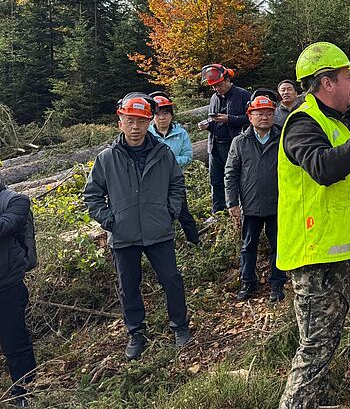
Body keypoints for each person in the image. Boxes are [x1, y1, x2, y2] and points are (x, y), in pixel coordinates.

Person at [277, 42, 350, 408]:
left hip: (336, 250)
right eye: (348, 77)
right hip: (314, 255)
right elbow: (324, 168)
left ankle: (312, 401)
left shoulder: (332, 123)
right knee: (315, 345)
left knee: (326, 340)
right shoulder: (302, 123)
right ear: (327, 82)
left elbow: (348, 168)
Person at [84, 94, 190, 360]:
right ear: (119, 122)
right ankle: (136, 333)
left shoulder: (163, 153)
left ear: (148, 122)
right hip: (124, 235)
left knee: (172, 280)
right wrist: (110, 221)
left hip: (158, 231)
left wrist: (170, 212)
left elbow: (177, 185)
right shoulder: (107, 158)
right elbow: (92, 195)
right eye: (130, 121)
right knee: (128, 286)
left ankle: (180, 325)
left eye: (141, 121)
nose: (135, 127)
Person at [225, 94, 287, 302]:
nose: (265, 117)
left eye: (269, 113)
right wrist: (232, 203)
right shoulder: (240, 142)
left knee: (278, 245)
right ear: (250, 116)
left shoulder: (283, 138)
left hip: (278, 203)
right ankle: (248, 283)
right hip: (250, 205)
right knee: (248, 246)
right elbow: (231, 173)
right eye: (259, 114)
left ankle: (277, 283)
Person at [198, 64, 251, 223]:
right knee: (216, 180)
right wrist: (207, 125)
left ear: (228, 79)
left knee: (235, 179)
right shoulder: (214, 98)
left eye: (219, 85)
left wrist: (230, 119)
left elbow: (251, 118)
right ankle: (218, 212)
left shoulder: (243, 95)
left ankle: (240, 211)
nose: (216, 89)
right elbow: (213, 119)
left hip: (234, 146)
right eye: (213, 86)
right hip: (215, 145)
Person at [0, 180, 36, 407]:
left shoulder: (16, 200)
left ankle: (25, 393)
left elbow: (6, 224)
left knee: (15, 344)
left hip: (7, 286)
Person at [148, 92, 201, 246]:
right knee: (158, 214)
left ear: (171, 115)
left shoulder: (181, 133)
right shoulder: (148, 134)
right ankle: (162, 244)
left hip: (174, 180)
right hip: (153, 182)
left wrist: (169, 162)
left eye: (165, 113)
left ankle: (194, 242)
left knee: (182, 211)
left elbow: (188, 156)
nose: (161, 118)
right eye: (157, 114)